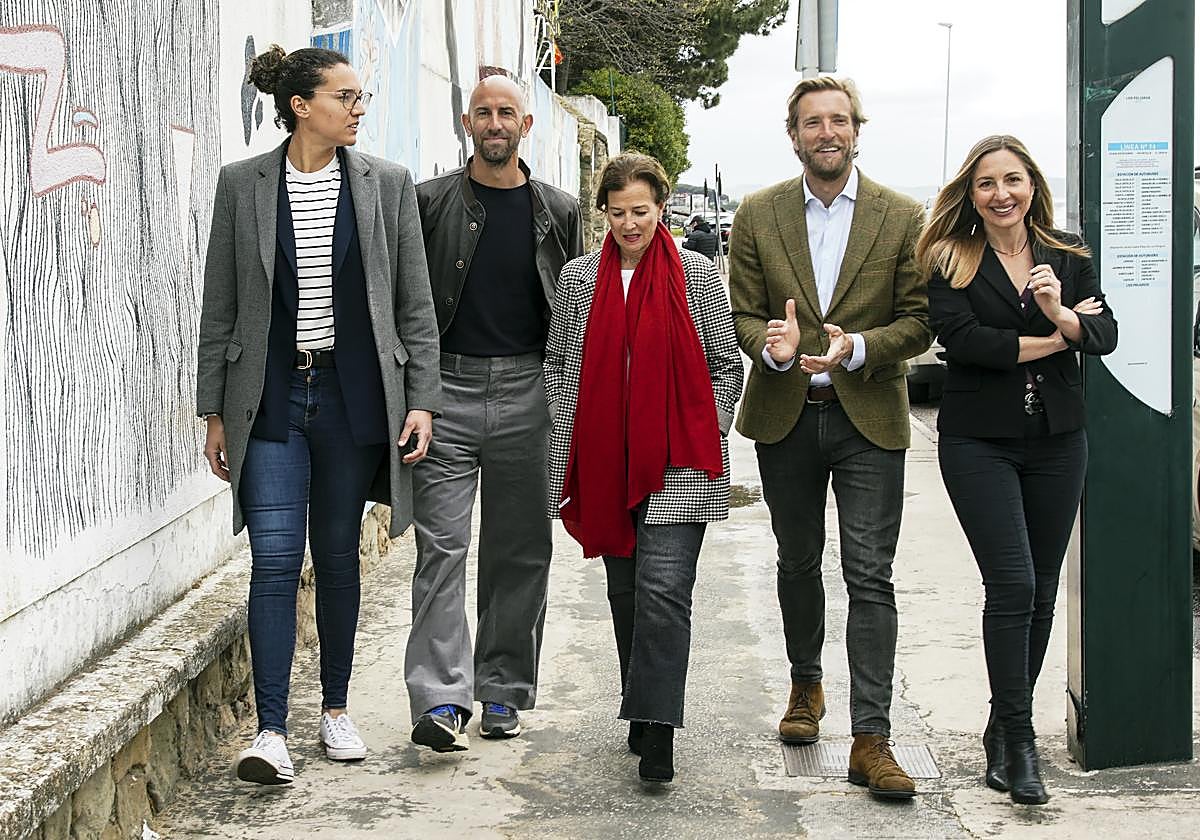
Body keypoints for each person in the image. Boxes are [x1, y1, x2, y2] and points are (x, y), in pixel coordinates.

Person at [196, 44, 440, 785]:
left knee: (335, 555)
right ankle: (271, 731)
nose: (358, 108)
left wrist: (421, 399)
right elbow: (220, 304)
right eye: (345, 96)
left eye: (360, 97)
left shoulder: (385, 185)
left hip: (350, 395)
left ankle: (335, 709)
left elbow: (414, 304)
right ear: (301, 106)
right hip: (270, 396)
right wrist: (214, 410)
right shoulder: (242, 183)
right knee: (274, 559)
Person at [727, 76, 930, 800]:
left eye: (838, 120)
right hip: (786, 414)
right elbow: (744, 314)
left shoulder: (901, 216)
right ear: (794, 135)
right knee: (797, 560)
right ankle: (805, 685)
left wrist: (860, 348)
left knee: (870, 573)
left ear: (856, 130)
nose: (826, 133)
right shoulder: (758, 212)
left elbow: (919, 320)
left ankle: (871, 738)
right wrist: (774, 348)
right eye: (812, 122)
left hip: (867, 415)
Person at [917, 135, 1117, 805]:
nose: (1001, 194)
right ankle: (1023, 742)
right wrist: (1060, 337)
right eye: (986, 183)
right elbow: (965, 343)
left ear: (1032, 185)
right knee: (1013, 583)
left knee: (1042, 591)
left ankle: (1003, 728)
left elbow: (1106, 333)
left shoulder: (1069, 255)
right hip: (979, 442)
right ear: (971, 195)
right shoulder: (951, 258)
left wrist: (1061, 312)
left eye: (1013, 180)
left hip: (1059, 440)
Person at [546, 152, 743, 783]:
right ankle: (641, 699)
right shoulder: (578, 279)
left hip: (680, 460)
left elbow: (726, 367)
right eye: (617, 213)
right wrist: (563, 463)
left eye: (641, 211)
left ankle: (658, 731)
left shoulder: (699, 276)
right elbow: (561, 372)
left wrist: (705, 428)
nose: (630, 224)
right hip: (605, 459)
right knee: (626, 592)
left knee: (665, 591)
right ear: (604, 213)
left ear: (662, 208)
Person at [406, 74, 584, 752]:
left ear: (525, 125)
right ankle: (441, 699)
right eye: (483, 112)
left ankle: (503, 689)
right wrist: (418, 394)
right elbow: (409, 304)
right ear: (467, 122)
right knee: (441, 548)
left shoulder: (559, 211)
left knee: (520, 549)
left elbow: (576, 310)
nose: (495, 122)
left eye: (507, 112)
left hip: (529, 393)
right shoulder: (429, 202)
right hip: (444, 394)